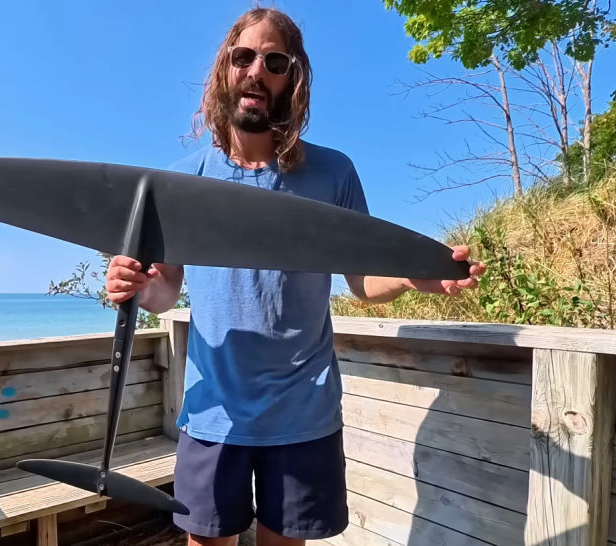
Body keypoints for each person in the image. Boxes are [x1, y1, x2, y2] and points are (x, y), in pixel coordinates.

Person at [104, 7, 486, 546]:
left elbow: (362, 281)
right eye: (244, 57)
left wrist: (411, 277)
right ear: (225, 70)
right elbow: (166, 291)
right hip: (215, 410)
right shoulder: (183, 182)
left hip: (304, 410)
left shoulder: (333, 174)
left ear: (293, 77)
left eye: (274, 60)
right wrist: (141, 288)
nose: (257, 70)